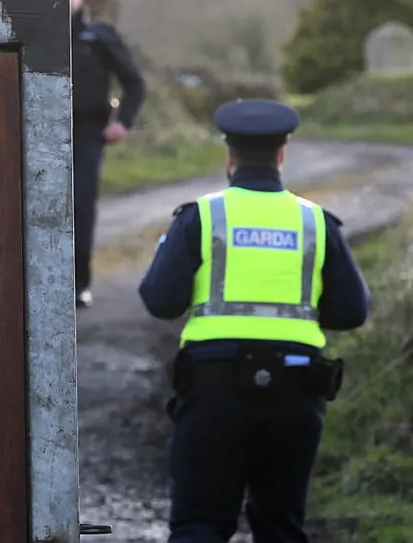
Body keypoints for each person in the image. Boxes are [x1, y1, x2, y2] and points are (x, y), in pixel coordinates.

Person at [137, 99, 371, 542]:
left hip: (212, 388)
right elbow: (352, 311)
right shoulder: (316, 222)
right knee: (281, 525)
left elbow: (160, 301)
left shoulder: (201, 217)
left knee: (200, 525)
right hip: (296, 390)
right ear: (282, 157)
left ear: (230, 157)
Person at [70, 0, 145, 307]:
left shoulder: (98, 36)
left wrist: (123, 123)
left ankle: (77, 284)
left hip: (86, 133)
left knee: (80, 205)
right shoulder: (31, 31)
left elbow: (134, 82)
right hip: (34, 131)